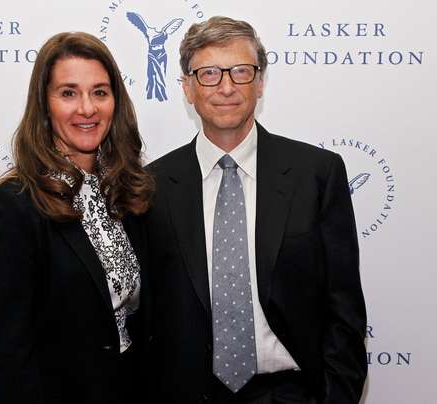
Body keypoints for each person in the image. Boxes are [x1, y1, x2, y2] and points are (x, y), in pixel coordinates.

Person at [145, 16, 367, 404]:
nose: (227, 87)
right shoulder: (152, 186)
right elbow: (146, 315)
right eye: (209, 73)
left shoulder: (317, 174)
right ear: (187, 87)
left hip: (291, 392)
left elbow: (344, 308)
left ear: (261, 81)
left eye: (241, 72)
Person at [0, 32, 154, 404]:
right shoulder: (14, 206)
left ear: (115, 102)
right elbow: (9, 352)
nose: (87, 109)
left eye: (100, 92)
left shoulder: (127, 192)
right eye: (68, 93)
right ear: (44, 104)